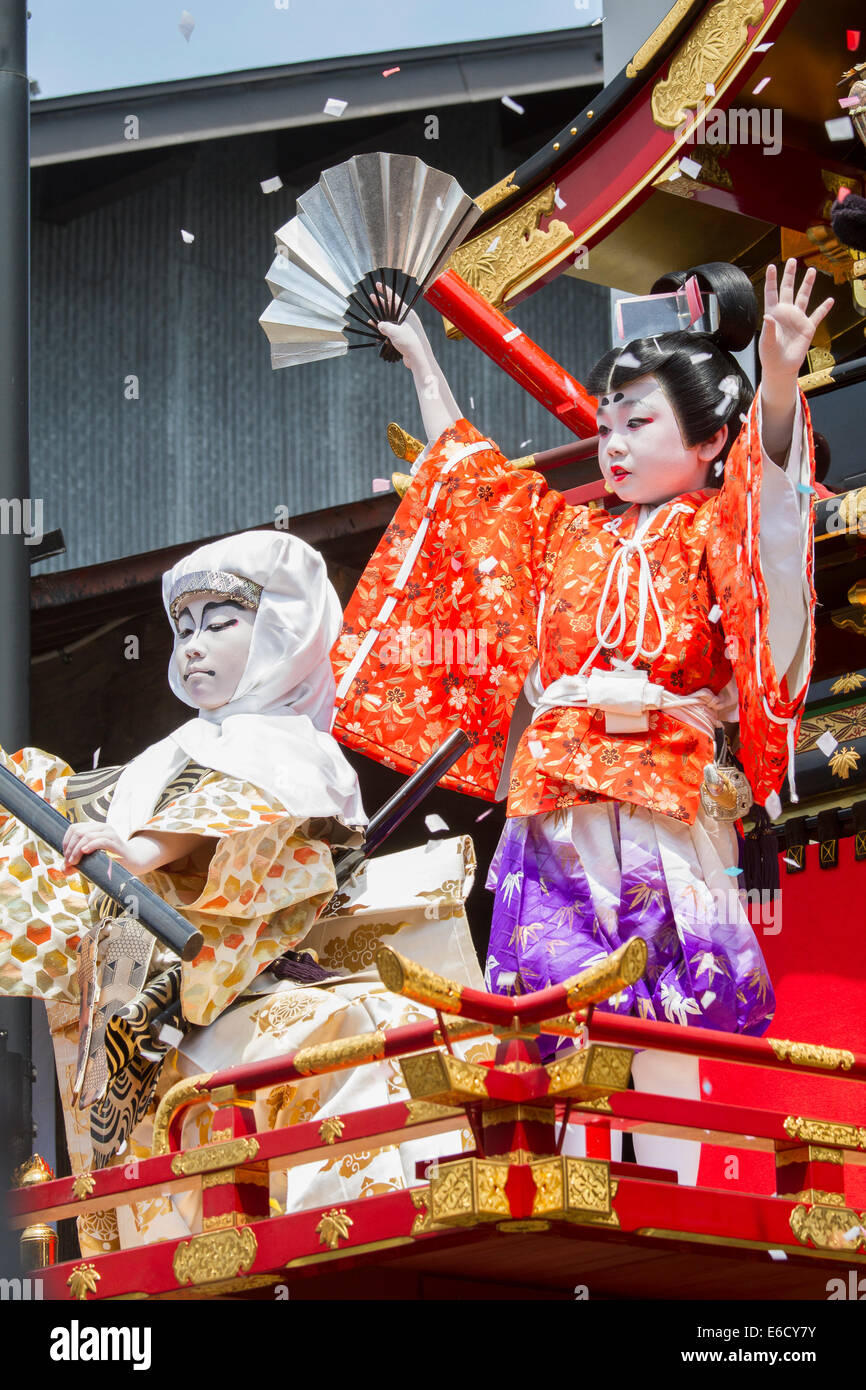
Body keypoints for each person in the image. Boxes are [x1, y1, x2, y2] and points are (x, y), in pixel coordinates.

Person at [331, 260, 832, 1180]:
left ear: (711, 438)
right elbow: (479, 487)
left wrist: (780, 382)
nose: (614, 444)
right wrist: (421, 366)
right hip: (558, 792)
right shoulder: (566, 533)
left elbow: (773, 518)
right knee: (556, 1005)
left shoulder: (709, 527)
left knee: (675, 1004)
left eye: (640, 422)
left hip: (665, 800)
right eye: (608, 424)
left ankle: (684, 1188)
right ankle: (568, 1183)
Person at [0, 529, 483, 1251]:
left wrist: (135, 848)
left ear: (284, 633)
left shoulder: (284, 743)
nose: (193, 645)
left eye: (220, 624)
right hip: (173, 1004)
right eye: (184, 629)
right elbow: (97, 805)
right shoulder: (178, 750)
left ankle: (358, 1228)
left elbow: (219, 809)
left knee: (377, 1023)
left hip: (229, 989)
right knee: (362, 1030)